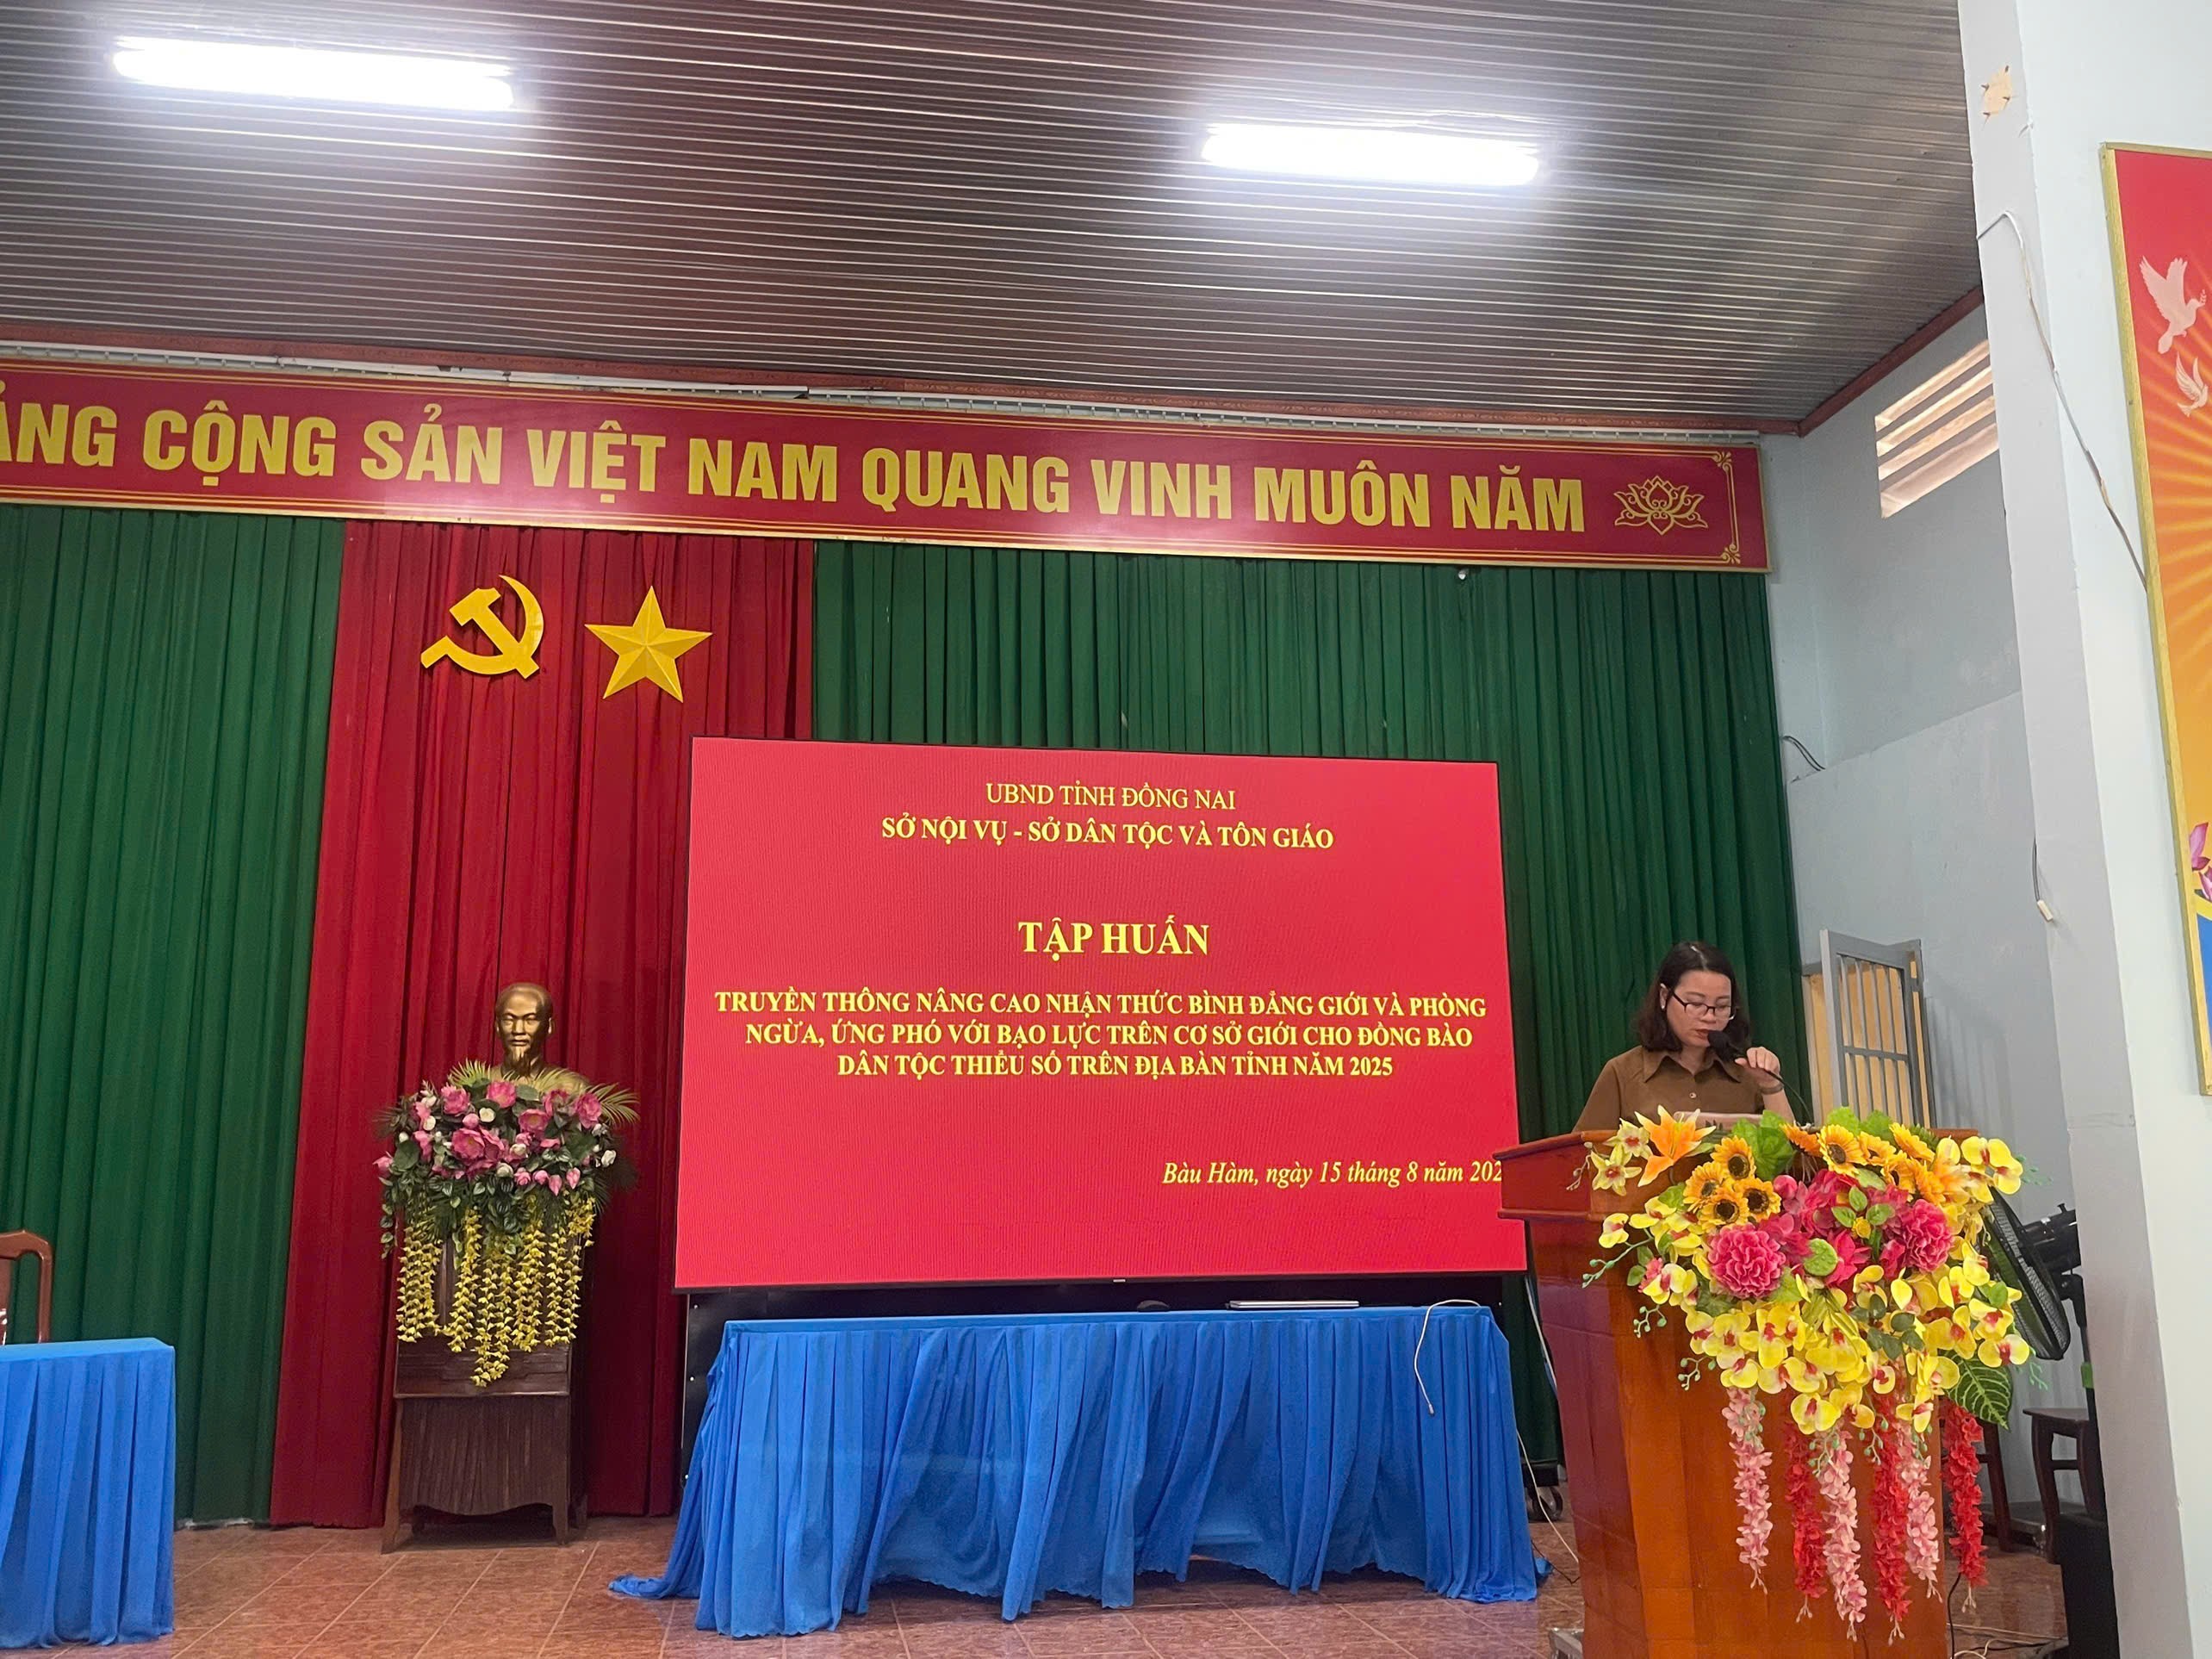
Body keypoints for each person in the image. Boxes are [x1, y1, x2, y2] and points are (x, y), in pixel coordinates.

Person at [1574, 941, 1796, 1131]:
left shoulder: (1747, 1073)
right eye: (1696, 1004)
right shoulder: (1622, 1073)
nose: (1709, 1017)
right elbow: (1580, 1157)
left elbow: (1791, 1155)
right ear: (1664, 996)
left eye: (1721, 1006)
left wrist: (1770, 1084)